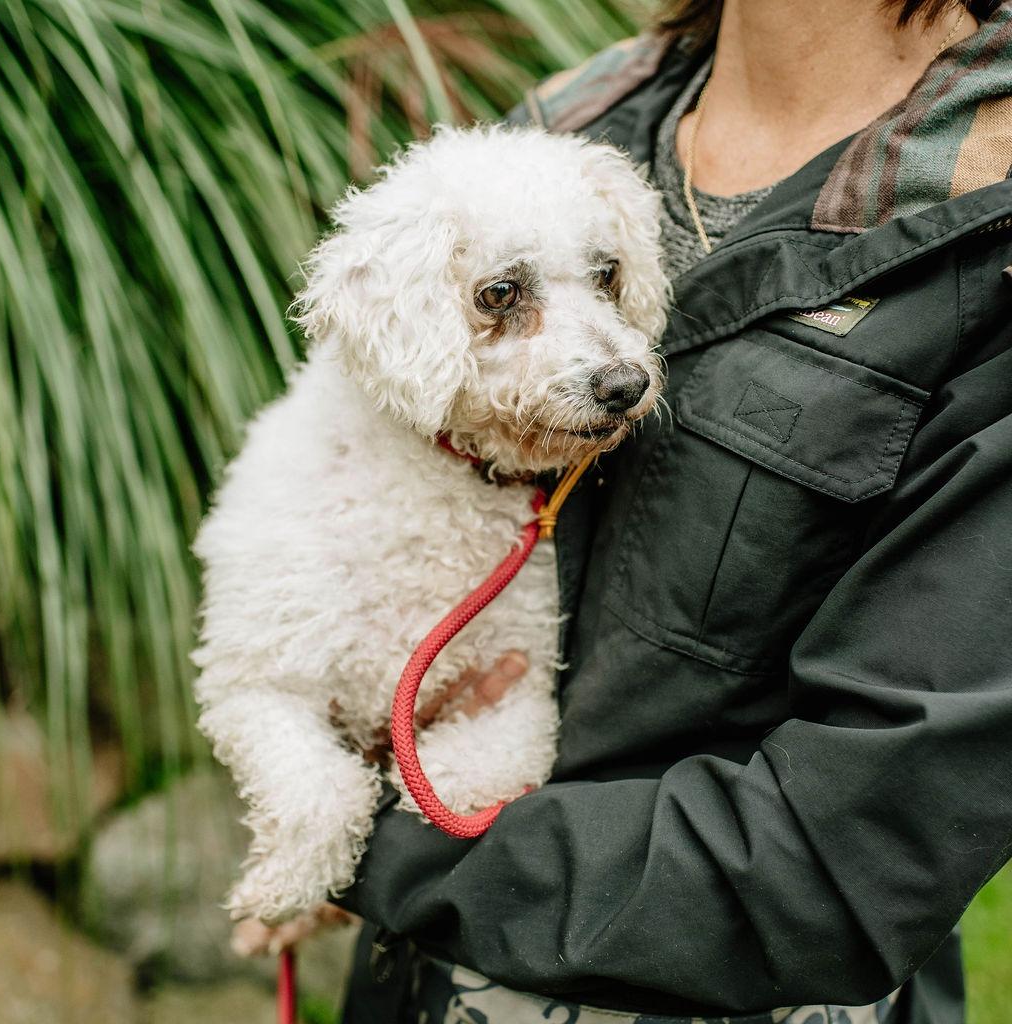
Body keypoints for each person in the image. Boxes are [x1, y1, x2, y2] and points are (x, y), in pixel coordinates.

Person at [337, 1, 1012, 1021]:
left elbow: (841, 862)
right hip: (416, 982)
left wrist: (353, 837)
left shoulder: (983, 229)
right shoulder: (569, 128)